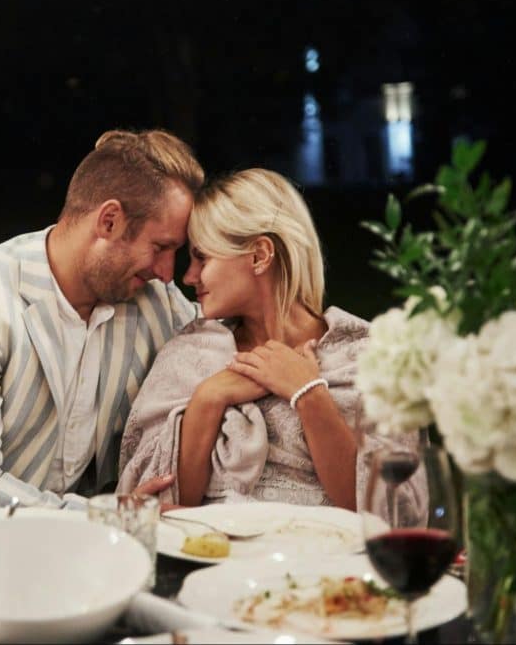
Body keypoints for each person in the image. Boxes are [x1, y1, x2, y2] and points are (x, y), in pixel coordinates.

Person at [0, 129, 205, 512]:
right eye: (161, 248)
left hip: (52, 553)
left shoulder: (155, 302)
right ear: (109, 221)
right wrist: (107, 517)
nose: (167, 273)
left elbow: (222, 345)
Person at [117, 168, 423, 516]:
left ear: (260, 255)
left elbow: (388, 515)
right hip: (208, 560)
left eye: (203, 257)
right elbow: (154, 509)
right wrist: (209, 398)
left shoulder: (369, 357)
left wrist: (309, 394)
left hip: (329, 565)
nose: (188, 276)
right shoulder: (190, 353)